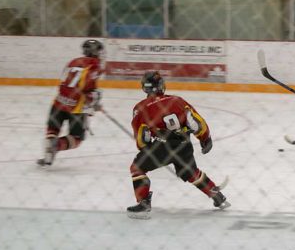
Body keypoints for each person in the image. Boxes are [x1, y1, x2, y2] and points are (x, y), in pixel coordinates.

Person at [127, 71, 228, 218]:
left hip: (162, 146)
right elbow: (196, 122)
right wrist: (205, 139)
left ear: (145, 88)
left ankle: (143, 203)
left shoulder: (140, 108)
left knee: (137, 167)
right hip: (184, 144)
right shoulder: (177, 100)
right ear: (161, 85)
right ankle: (215, 194)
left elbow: (142, 138)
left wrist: (147, 148)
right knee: (191, 172)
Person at [37, 39, 104, 166]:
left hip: (58, 102)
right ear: (96, 52)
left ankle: (49, 151)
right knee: (77, 138)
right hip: (76, 108)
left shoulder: (73, 61)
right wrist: (94, 101)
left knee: (53, 129)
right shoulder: (95, 65)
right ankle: (56, 145)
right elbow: (87, 91)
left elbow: (65, 82)